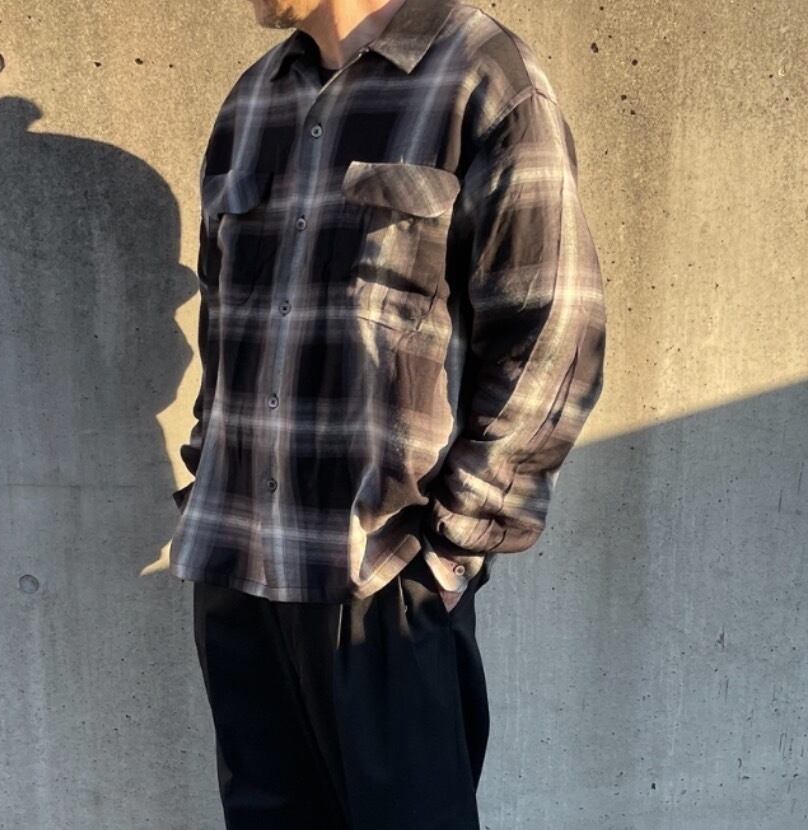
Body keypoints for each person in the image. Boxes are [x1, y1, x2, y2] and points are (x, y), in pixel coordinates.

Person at [169, 0, 606, 826]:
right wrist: (205, 484)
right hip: (238, 576)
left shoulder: (483, 79)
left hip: (381, 585)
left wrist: (447, 554)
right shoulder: (252, 100)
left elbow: (555, 332)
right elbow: (222, 325)